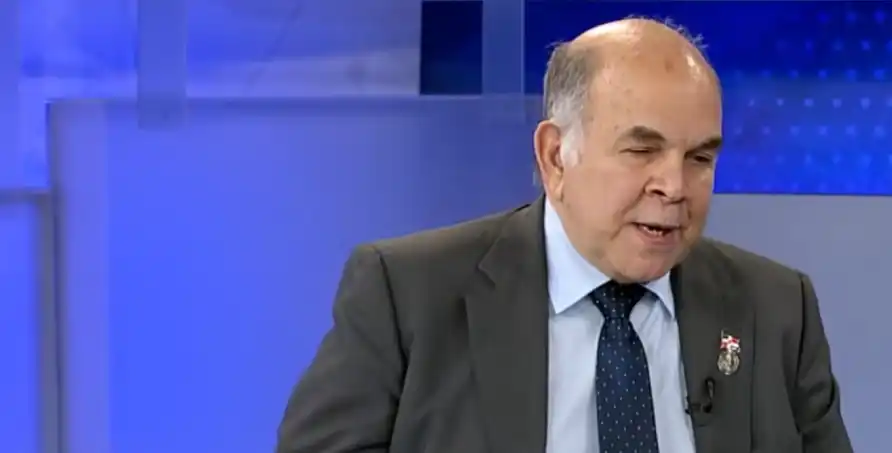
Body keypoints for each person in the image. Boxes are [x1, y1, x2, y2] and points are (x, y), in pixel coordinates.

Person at [277, 18, 854, 453]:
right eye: (642, 150)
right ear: (556, 156)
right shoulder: (408, 297)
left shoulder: (776, 308)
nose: (675, 186)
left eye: (700, 158)